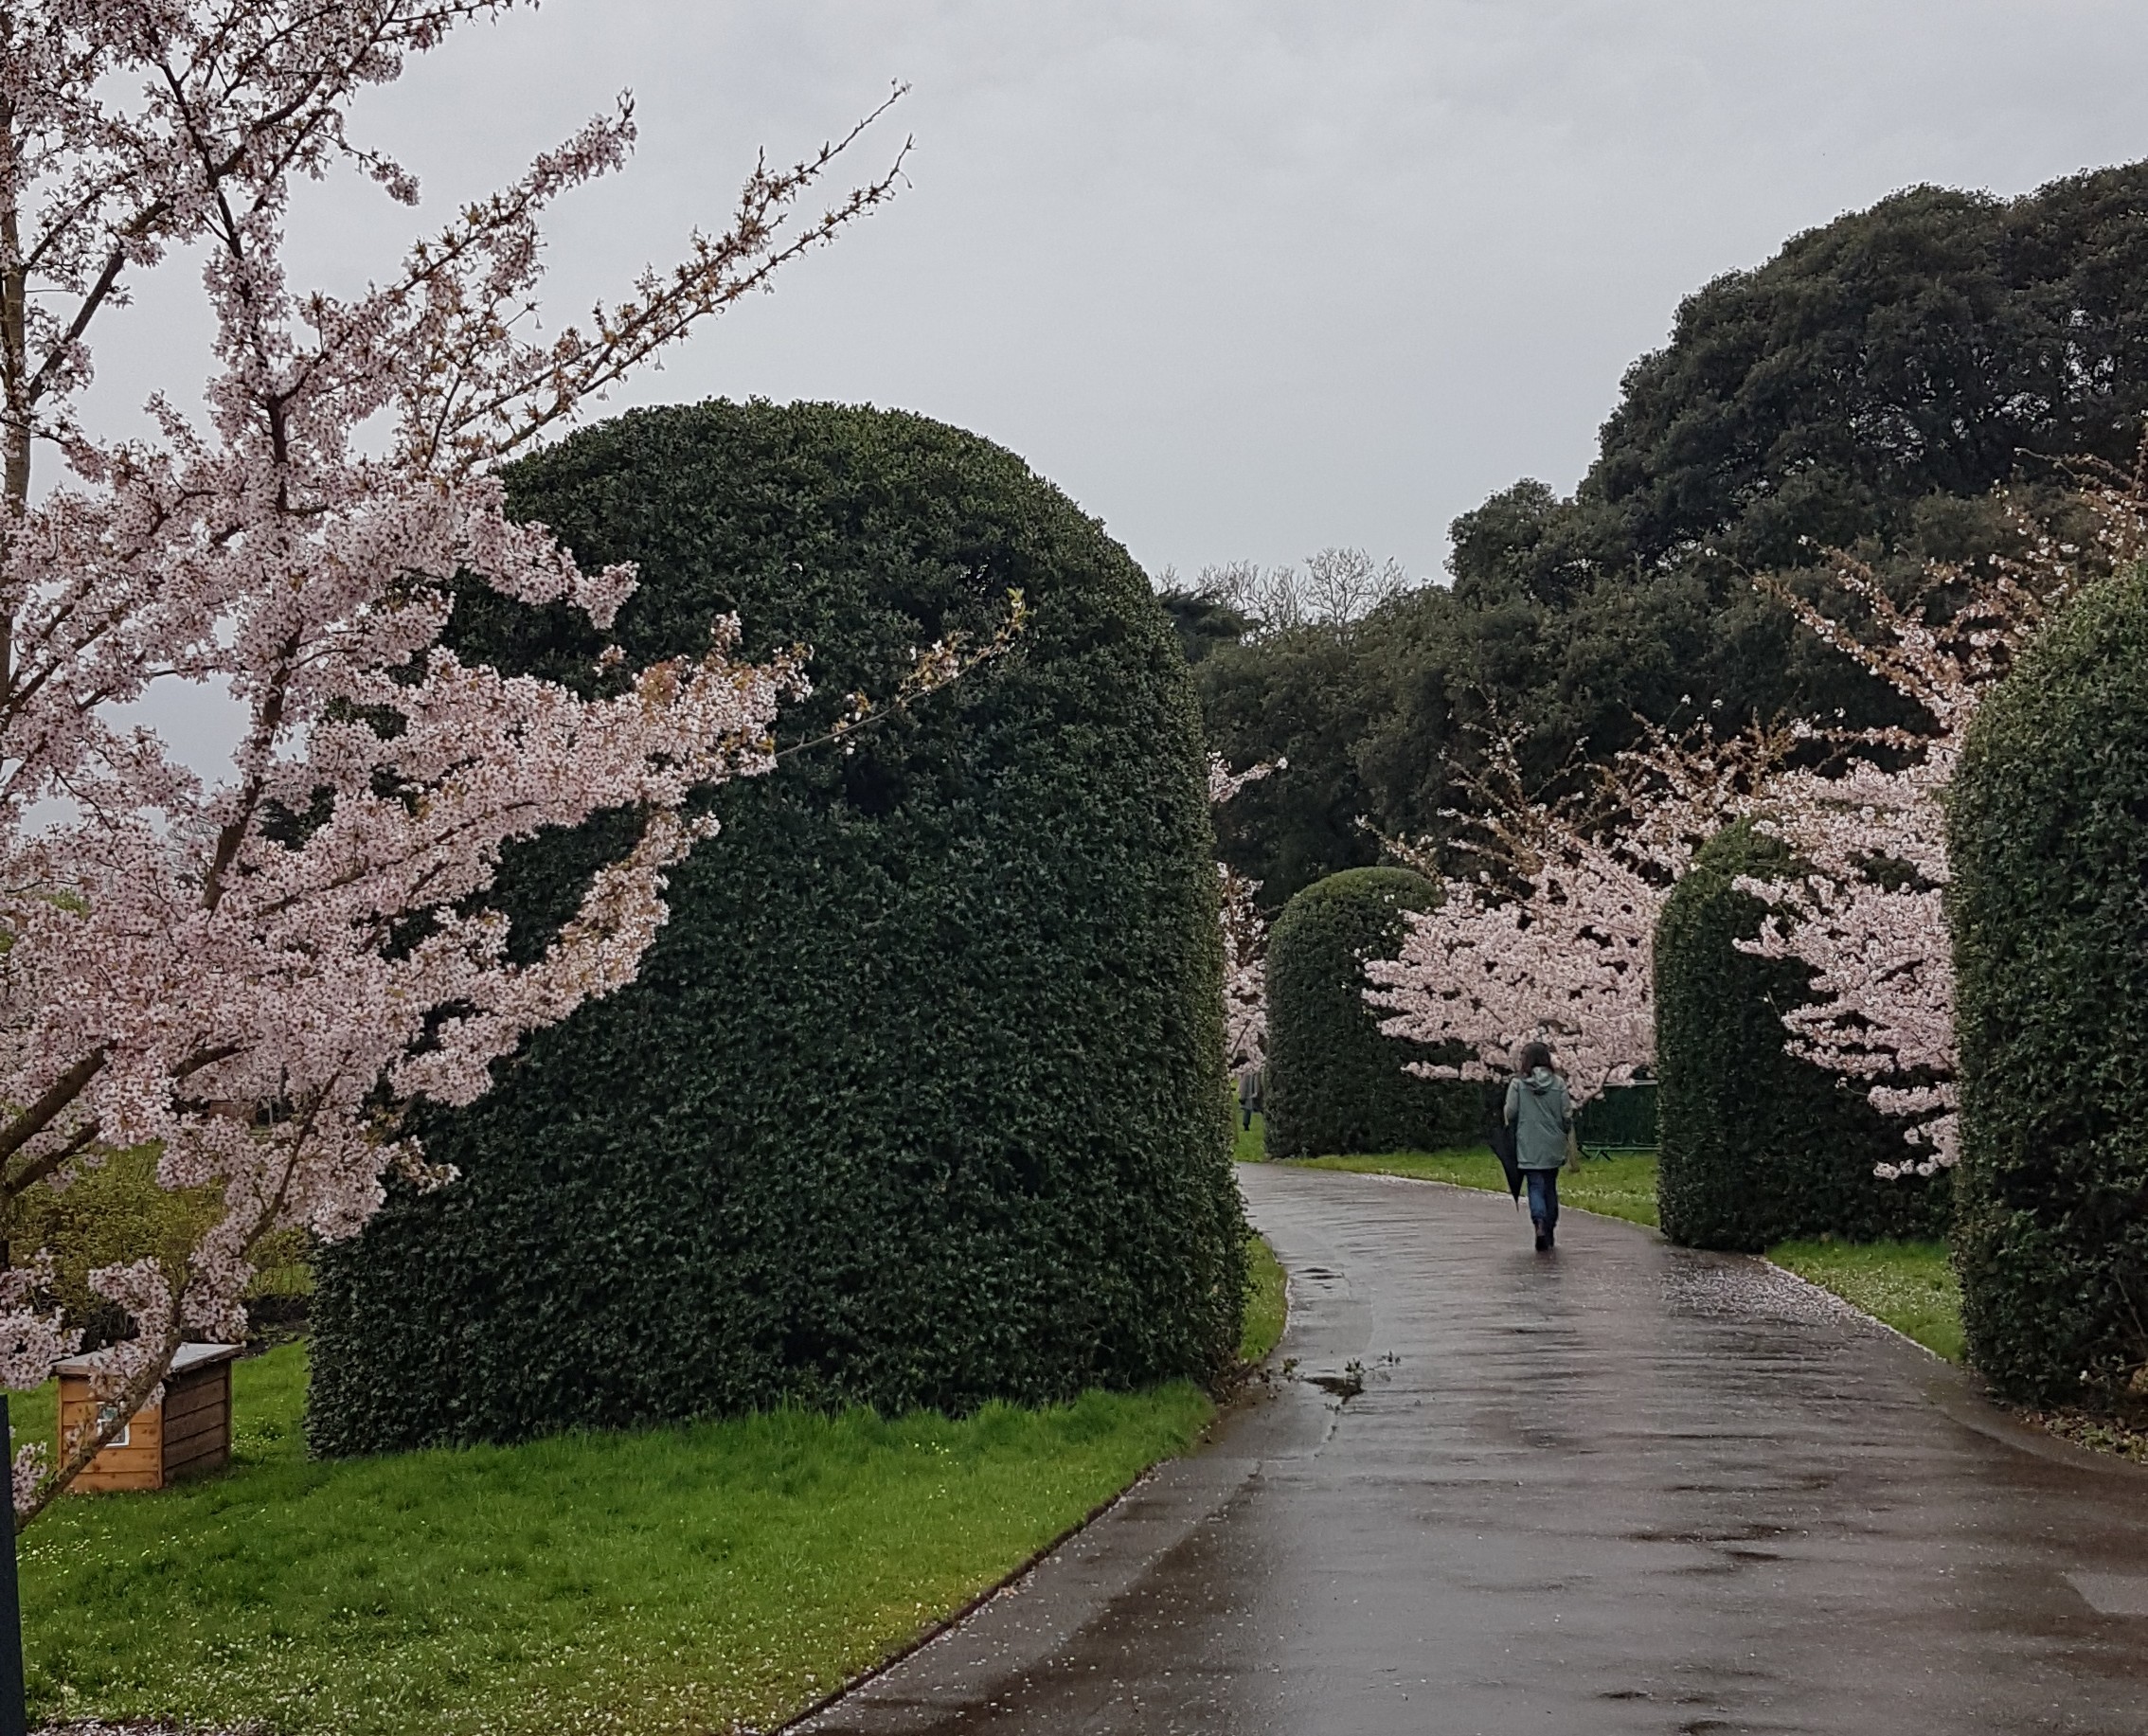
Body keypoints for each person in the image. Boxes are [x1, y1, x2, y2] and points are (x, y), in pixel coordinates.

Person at [1504, 1041, 1571, 1253]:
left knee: (1535, 1185)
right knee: (1550, 1185)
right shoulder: (1559, 1083)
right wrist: (1563, 1130)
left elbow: (1510, 1112)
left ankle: (1539, 1224)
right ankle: (1550, 1229)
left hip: (1528, 1142)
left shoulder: (1518, 1084)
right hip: (1553, 1142)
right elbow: (1566, 1114)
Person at [1236, 1062, 1263, 1132]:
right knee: (1247, 1111)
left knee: (1247, 1111)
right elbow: (1244, 1087)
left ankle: (1246, 1125)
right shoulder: (1248, 1075)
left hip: (1247, 1096)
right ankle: (1246, 1126)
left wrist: (1242, 1097)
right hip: (1247, 1097)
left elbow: (1244, 1087)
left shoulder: (1246, 1075)